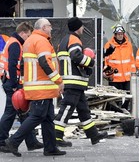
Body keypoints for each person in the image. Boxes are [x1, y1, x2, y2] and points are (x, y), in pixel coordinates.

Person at [5, 18, 66, 157]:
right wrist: (58, 81)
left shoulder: (30, 41)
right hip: (42, 88)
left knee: (48, 118)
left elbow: (23, 65)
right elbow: (45, 62)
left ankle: (50, 148)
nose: (51, 28)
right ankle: (13, 141)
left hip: (38, 87)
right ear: (44, 27)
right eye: (49, 26)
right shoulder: (41, 41)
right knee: (38, 116)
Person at [54, 17, 107, 147]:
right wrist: (91, 63)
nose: (83, 28)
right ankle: (56, 136)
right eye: (82, 26)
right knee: (66, 109)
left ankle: (93, 135)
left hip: (73, 82)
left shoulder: (65, 39)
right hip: (73, 82)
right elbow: (76, 56)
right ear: (78, 28)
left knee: (83, 110)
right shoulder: (74, 39)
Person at [0, 22, 44, 153]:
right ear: (23, 33)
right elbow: (13, 65)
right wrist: (14, 85)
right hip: (12, 83)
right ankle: (1, 141)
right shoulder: (15, 44)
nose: (29, 38)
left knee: (24, 113)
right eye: (28, 35)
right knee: (10, 113)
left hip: (9, 81)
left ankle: (31, 142)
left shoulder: (13, 41)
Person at [103, 24, 136, 110]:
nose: (120, 35)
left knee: (128, 97)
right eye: (118, 34)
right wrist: (107, 74)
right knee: (115, 99)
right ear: (115, 35)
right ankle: (116, 115)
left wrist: (133, 74)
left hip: (127, 78)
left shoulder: (128, 45)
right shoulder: (109, 45)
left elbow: (131, 60)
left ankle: (125, 112)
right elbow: (105, 61)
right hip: (114, 79)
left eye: (121, 34)